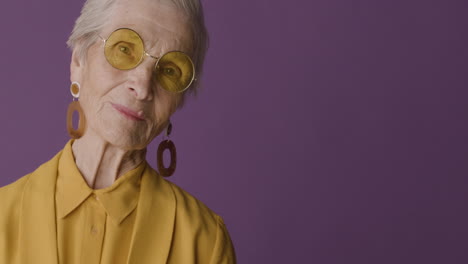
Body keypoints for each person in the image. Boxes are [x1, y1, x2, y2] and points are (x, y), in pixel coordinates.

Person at [0, 0, 236, 263]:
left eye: (170, 70)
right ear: (78, 60)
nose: (143, 87)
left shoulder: (204, 243)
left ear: (179, 99)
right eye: (125, 49)